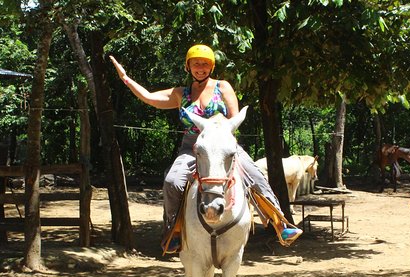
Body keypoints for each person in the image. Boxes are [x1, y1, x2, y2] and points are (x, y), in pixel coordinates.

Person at [110, 44, 302, 254]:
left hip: (223, 143)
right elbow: (148, 97)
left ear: (211, 67)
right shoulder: (180, 94)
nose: (200, 67)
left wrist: (226, 140)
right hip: (193, 146)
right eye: (195, 63)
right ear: (188, 67)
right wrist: (125, 78)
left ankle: (280, 223)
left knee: (255, 175)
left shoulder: (223, 87)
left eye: (204, 64)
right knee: (172, 182)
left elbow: (233, 118)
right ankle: (173, 230)